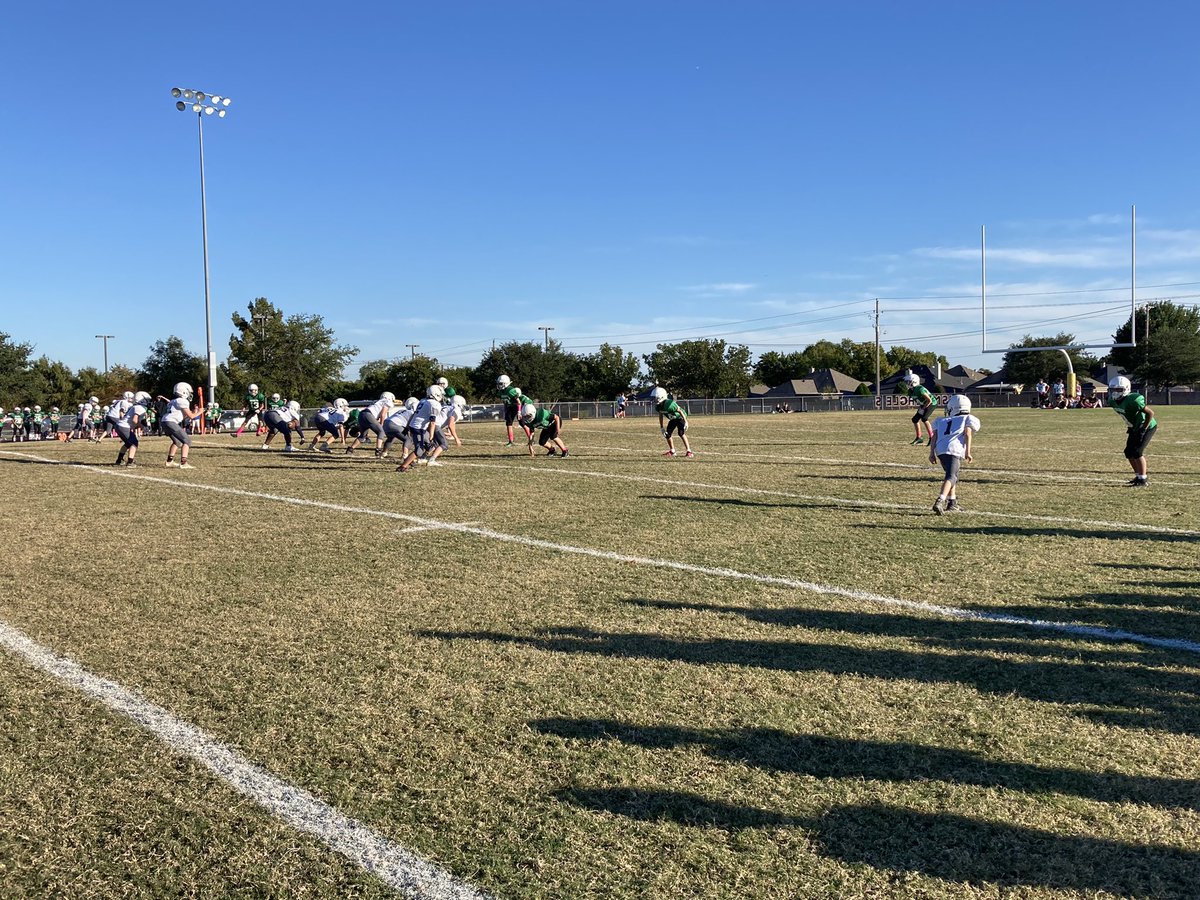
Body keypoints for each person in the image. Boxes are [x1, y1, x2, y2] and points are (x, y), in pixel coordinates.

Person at [929, 394, 980, 514]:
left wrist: (931, 453)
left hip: (940, 450)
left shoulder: (941, 420)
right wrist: (968, 452)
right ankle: (940, 500)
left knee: (952, 476)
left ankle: (952, 502)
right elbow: (967, 434)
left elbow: (934, 437)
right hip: (954, 449)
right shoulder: (967, 418)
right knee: (951, 477)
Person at [1107, 375, 1156, 487]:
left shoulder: (1133, 400)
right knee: (1129, 452)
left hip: (1147, 426)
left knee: (1137, 452)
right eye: (1113, 389)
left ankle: (1143, 479)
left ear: (1126, 389)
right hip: (1134, 427)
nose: (1115, 392)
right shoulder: (1112, 401)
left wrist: (1143, 429)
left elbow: (1150, 413)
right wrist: (1131, 426)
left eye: (1118, 389)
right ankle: (1138, 476)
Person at [396, 386, 443, 471]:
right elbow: (432, 422)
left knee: (428, 446)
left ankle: (409, 462)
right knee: (419, 450)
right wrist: (431, 436)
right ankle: (403, 466)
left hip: (415, 426)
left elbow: (414, 414)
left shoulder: (423, 401)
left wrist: (408, 426)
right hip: (419, 428)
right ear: (435, 394)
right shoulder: (434, 404)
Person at [159, 383, 201, 469]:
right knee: (187, 441)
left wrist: (194, 413)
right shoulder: (182, 401)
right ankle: (183, 463)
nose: (190, 394)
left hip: (165, 421)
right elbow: (192, 416)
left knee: (177, 442)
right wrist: (200, 411)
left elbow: (184, 416)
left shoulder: (174, 401)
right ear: (184, 391)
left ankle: (169, 461)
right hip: (170, 422)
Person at [652, 386, 694, 458]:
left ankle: (689, 451)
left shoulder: (669, 404)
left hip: (680, 417)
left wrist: (686, 421)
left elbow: (680, 411)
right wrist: (661, 427)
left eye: (656, 398)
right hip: (673, 419)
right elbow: (661, 415)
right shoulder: (658, 406)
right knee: (667, 434)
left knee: (681, 433)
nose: (655, 399)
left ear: (662, 397)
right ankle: (672, 451)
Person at [113, 392, 152, 468]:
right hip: (124, 426)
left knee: (128, 444)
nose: (149, 401)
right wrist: (143, 427)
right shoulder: (139, 408)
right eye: (147, 400)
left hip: (120, 425)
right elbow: (135, 420)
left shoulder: (136, 407)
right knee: (134, 443)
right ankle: (130, 462)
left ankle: (119, 460)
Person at [903, 373, 936, 444]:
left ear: (914, 382)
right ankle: (919, 437)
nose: (907, 384)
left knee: (924, 418)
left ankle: (932, 437)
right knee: (915, 419)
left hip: (931, 403)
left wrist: (923, 408)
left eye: (908, 382)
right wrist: (921, 407)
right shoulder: (910, 391)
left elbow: (929, 400)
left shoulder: (920, 389)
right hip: (924, 404)